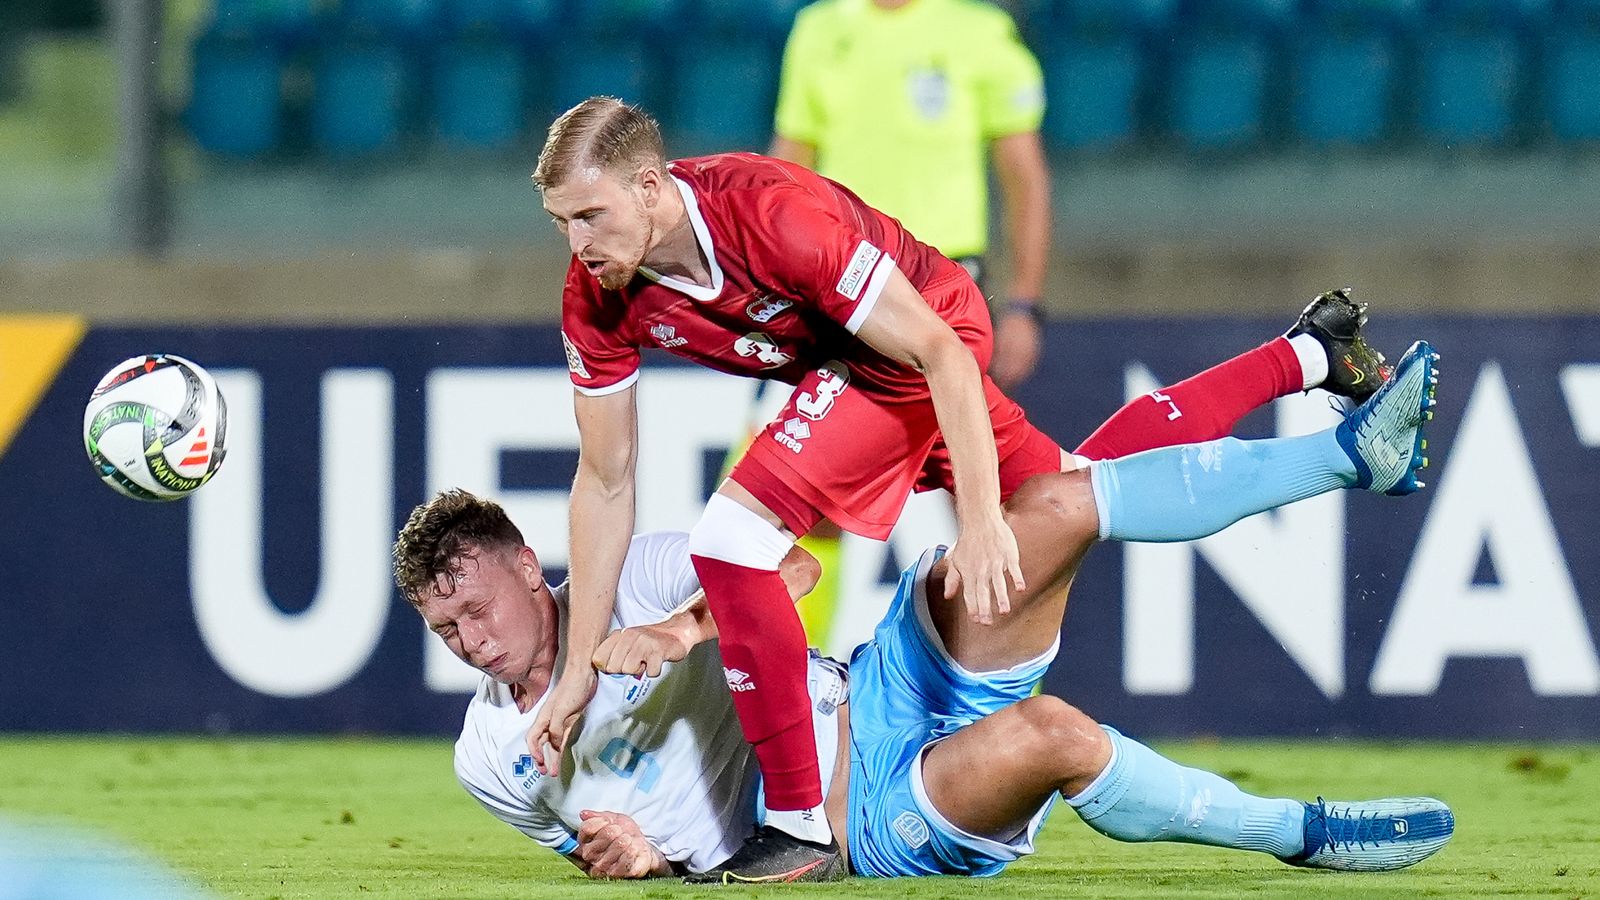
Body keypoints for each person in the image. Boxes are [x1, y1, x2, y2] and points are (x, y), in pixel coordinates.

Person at [528, 95, 1392, 879]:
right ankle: (1315, 352)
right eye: (561, 221)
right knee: (1073, 494)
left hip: (925, 340)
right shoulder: (594, 294)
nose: (578, 243)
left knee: (732, 540)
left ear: (650, 185)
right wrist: (574, 671)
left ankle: (797, 827)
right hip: (845, 369)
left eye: (590, 215)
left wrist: (977, 520)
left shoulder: (773, 216)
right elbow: (606, 479)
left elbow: (939, 349)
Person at [398, 334, 1446, 882]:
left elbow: (793, 578)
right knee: (1053, 735)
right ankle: (1300, 835)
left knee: (1055, 503)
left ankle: (1345, 446)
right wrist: (639, 864)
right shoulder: (487, 758)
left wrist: (679, 628)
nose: (469, 643)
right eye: (446, 632)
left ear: (531, 571)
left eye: (477, 611)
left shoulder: (639, 576)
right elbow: (604, 857)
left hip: (882, 683)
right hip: (865, 825)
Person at [770, 0, 1052, 392]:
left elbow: (1024, 180)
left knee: (951, 445)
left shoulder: (981, 32)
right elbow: (789, 167)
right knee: (829, 444)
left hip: (944, 284)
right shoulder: (817, 28)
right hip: (841, 276)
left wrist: (1024, 305)